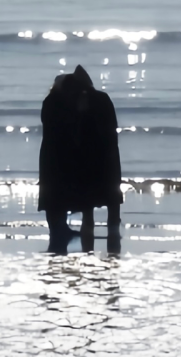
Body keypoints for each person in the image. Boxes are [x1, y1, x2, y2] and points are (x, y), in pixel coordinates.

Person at [38, 65, 123, 253]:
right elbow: (109, 127)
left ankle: (74, 239)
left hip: (63, 157)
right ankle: (111, 243)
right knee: (107, 203)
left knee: (81, 204)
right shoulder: (93, 99)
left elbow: (72, 129)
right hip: (103, 154)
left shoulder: (56, 101)